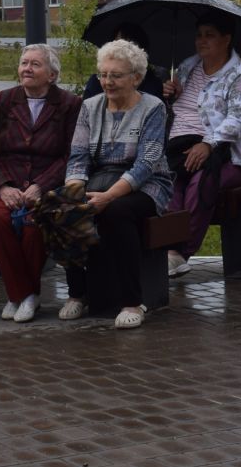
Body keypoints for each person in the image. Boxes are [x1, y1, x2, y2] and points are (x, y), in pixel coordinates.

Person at [59, 39, 173, 329]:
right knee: (66, 206)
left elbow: (146, 164)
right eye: (103, 74)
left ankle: (132, 302)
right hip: (98, 180)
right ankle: (78, 293)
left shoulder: (153, 107)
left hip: (147, 185)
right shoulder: (89, 107)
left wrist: (108, 196)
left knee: (116, 212)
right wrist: (74, 190)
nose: (107, 82)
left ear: (136, 77)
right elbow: (79, 156)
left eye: (116, 75)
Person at [0, 44, 81, 321]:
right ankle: (23, 294)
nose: (27, 69)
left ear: (52, 74)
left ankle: (20, 296)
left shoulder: (70, 104)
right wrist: (3, 187)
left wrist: (41, 186)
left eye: (35, 64)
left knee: (35, 224)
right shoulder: (4, 100)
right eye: (24, 63)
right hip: (7, 184)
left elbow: (70, 155)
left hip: (46, 187)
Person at [163, 12, 241, 277]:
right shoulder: (187, 68)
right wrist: (171, 95)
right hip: (180, 148)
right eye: (199, 35)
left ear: (226, 39)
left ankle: (182, 251)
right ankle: (168, 248)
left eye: (210, 35)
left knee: (202, 182)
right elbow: (179, 110)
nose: (202, 41)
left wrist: (209, 144)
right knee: (168, 182)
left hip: (229, 157)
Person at [80, 22, 166, 103]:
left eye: (129, 45)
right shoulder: (96, 82)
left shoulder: (152, 84)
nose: (122, 49)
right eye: (118, 43)